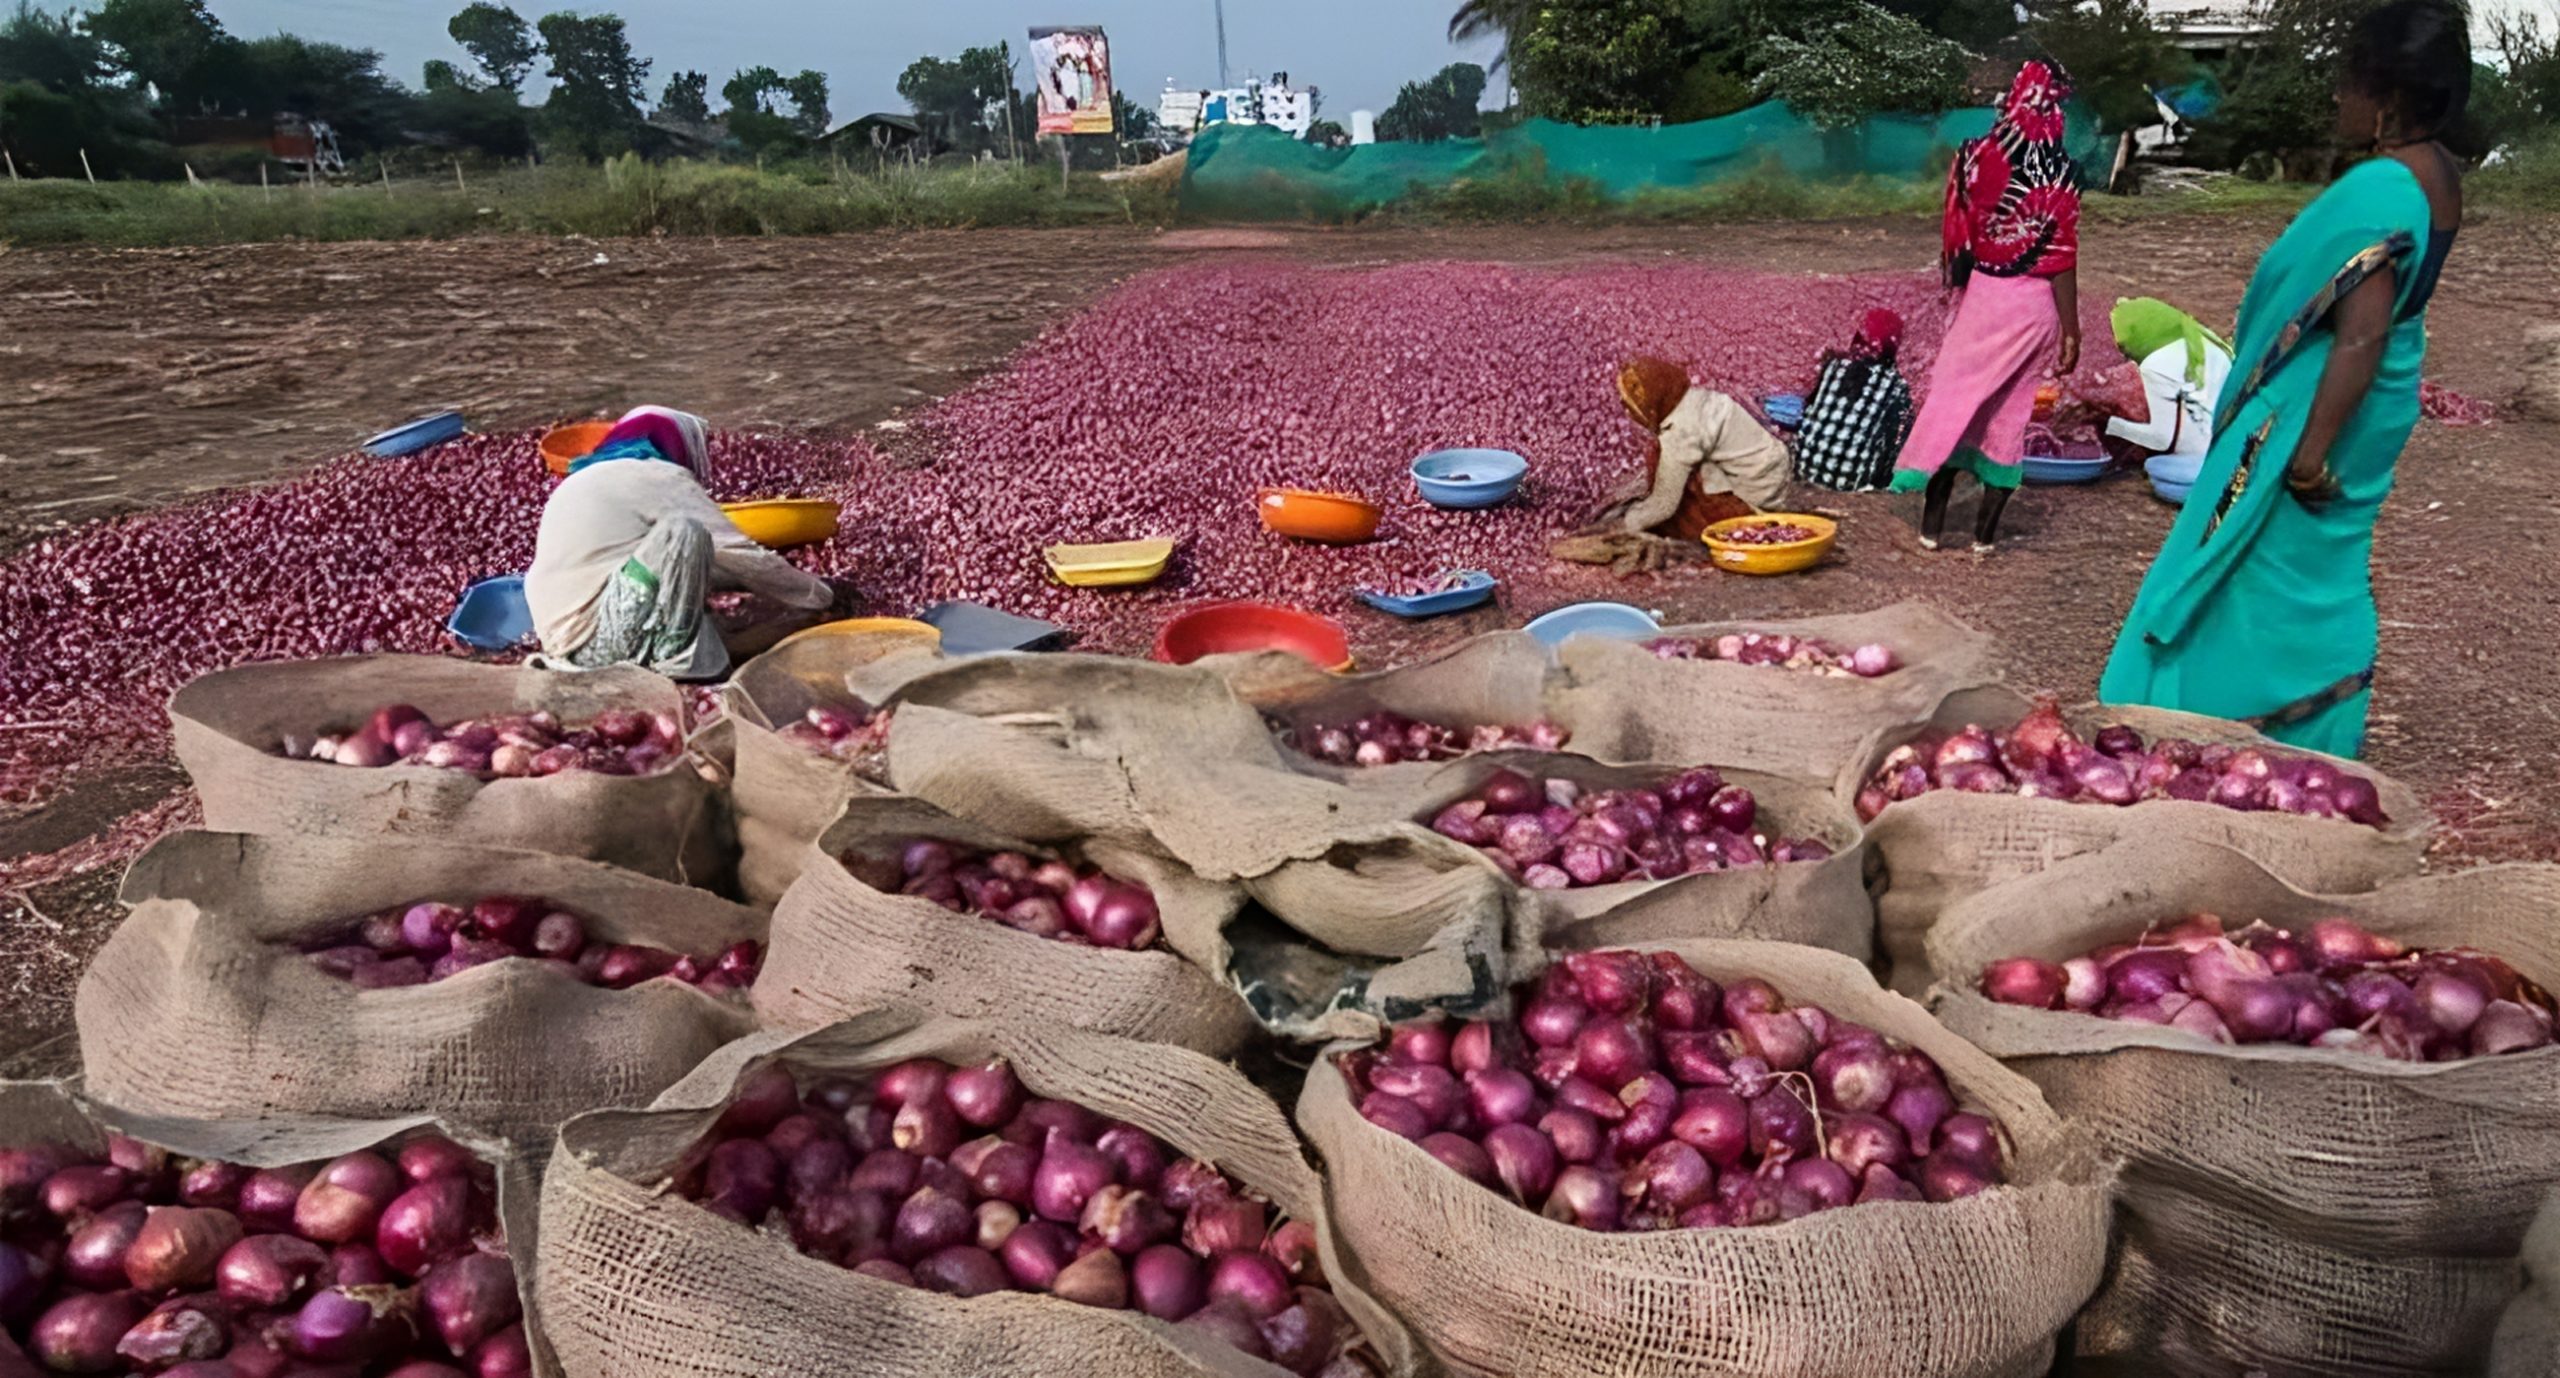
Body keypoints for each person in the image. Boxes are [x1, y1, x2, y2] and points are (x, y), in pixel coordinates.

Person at [2101, 0, 2468, 757]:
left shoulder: (2383, 192)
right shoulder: (2440, 176)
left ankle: (2189, 713)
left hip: (2323, 406)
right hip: (2379, 399)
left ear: (2387, 97)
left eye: (2348, 82)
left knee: (2245, 561)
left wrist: (2308, 449)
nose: (2339, 97)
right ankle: (2314, 723)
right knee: (2313, 567)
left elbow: (2361, 331)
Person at [1890, 60, 2084, 553]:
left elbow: (1956, 231)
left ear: (2013, 96)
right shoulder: (2066, 170)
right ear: (2057, 103)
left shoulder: (1973, 154)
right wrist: (2071, 330)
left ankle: (1930, 528)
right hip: (2034, 307)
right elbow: (2062, 256)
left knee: (1953, 402)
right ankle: (1983, 540)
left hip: (1982, 299)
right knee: (2008, 416)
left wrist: (1957, 286)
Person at [525, 406, 843, 680]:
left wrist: (752, 585)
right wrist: (820, 594)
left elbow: (701, 563)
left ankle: (692, 648)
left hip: (562, 643)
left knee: (686, 545)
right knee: (685, 532)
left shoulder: (589, 478)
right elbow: (738, 552)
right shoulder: (657, 475)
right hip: (599, 641)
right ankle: (676, 662)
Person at [1552, 358, 1793, 575]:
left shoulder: (1681, 433)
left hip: (1753, 498)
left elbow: (1663, 505)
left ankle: (1725, 525)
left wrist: (1623, 526)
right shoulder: (1693, 400)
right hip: (1768, 475)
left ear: (1651, 405)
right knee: (1664, 462)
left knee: (1669, 483)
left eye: (1630, 406)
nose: (1628, 413)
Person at [1795, 308, 1918, 492]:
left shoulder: (1832, 365)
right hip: (1849, 484)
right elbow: (1894, 445)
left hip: (1804, 470)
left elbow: (1809, 411)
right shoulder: (1897, 386)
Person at [2104, 297, 2233, 469]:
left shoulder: (2156, 364)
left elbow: (2161, 439)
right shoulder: (2203, 339)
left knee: (2154, 466)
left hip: (2198, 457)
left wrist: (2111, 425)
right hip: (2234, 444)